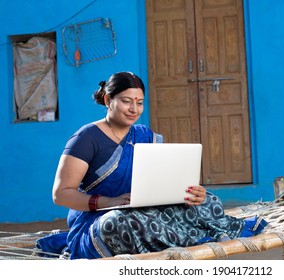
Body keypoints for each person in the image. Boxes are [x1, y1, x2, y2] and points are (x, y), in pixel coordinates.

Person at [37, 71, 267, 259]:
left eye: (139, 103)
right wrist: (109, 202)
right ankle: (201, 236)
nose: (133, 109)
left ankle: (199, 232)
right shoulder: (86, 138)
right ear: (108, 100)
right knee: (118, 222)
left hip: (142, 210)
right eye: (126, 101)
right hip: (98, 221)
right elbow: (61, 194)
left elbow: (164, 178)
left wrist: (190, 192)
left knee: (208, 201)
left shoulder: (143, 134)